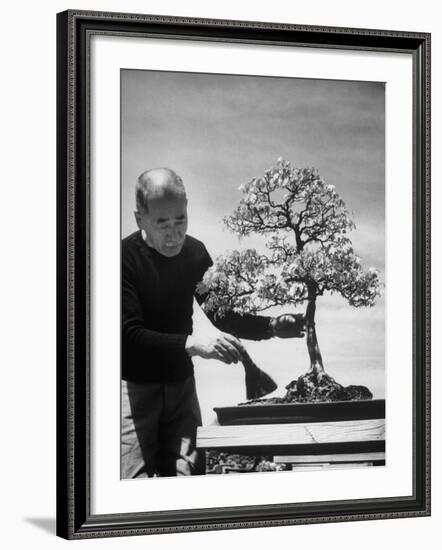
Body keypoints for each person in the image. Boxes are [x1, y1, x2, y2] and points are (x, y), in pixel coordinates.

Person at [121, 167, 305, 478]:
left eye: (180, 220)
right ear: (140, 218)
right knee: (132, 484)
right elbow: (130, 334)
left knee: (187, 478)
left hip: (181, 388)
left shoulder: (194, 254)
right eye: (161, 223)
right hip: (135, 390)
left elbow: (222, 313)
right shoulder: (123, 258)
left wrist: (271, 326)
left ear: (187, 208)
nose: (173, 233)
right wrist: (193, 344)